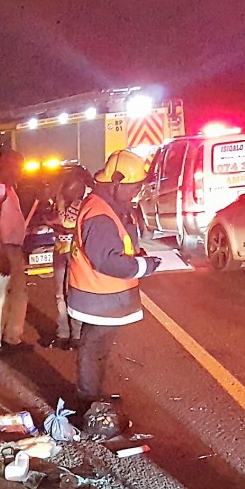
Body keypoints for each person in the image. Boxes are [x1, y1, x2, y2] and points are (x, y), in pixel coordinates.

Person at [66, 149, 160, 414]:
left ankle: (92, 397)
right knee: (93, 348)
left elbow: (117, 246)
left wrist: (137, 256)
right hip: (99, 296)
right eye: (133, 187)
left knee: (98, 349)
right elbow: (107, 261)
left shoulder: (107, 206)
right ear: (116, 182)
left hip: (103, 296)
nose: (136, 193)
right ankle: (87, 402)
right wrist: (144, 266)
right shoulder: (100, 213)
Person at [0, 149, 31, 353]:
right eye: (17, 168)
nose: (19, 172)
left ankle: (11, 337)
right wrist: (0, 252)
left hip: (11, 247)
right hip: (1, 247)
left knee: (18, 294)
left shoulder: (7, 188)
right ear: (6, 165)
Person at [44, 167, 94, 350]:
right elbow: (59, 222)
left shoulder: (85, 202)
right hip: (60, 250)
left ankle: (77, 334)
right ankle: (63, 333)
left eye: (73, 189)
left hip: (76, 254)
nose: (70, 192)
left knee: (73, 294)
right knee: (60, 294)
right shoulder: (62, 199)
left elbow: (64, 223)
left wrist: (57, 222)